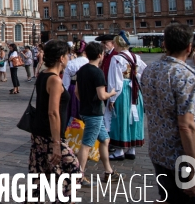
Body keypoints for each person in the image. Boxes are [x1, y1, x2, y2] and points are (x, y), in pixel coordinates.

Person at [142, 24, 195, 203]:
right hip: (180, 154)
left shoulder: (149, 70)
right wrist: (194, 168)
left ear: (165, 44)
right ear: (189, 48)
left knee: (168, 197)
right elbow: (187, 126)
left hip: (158, 151)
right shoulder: (184, 75)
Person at [29, 40, 81, 199]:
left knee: (39, 175)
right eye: (67, 55)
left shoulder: (43, 74)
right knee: (73, 169)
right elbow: (53, 112)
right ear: (61, 58)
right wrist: (57, 143)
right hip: (49, 136)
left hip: (39, 133)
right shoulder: (54, 80)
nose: (69, 58)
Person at [75, 42, 119, 186]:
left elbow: (76, 92)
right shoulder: (97, 72)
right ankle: (79, 176)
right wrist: (112, 93)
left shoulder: (82, 70)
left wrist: (85, 101)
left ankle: (108, 172)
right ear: (100, 55)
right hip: (94, 113)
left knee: (105, 140)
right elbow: (101, 95)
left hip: (86, 111)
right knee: (87, 145)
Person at [106, 33, 146, 161]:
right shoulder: (136, 57)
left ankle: (119, 151)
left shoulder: (116, 59)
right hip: (135, 90)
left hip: (123, 91)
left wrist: (112, 98)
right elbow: (144, 72)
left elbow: (115, 80)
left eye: (114, 43)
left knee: (120, 118)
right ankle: (132, 149)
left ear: (117, 44)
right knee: (134, 118)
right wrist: (135, 78)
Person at [62, 40, 88, 123]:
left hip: (73, 89)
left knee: (73, 112)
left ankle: (73, 131)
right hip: (87, 88)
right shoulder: (89, 62)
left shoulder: (70, 64)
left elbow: (65, 83)